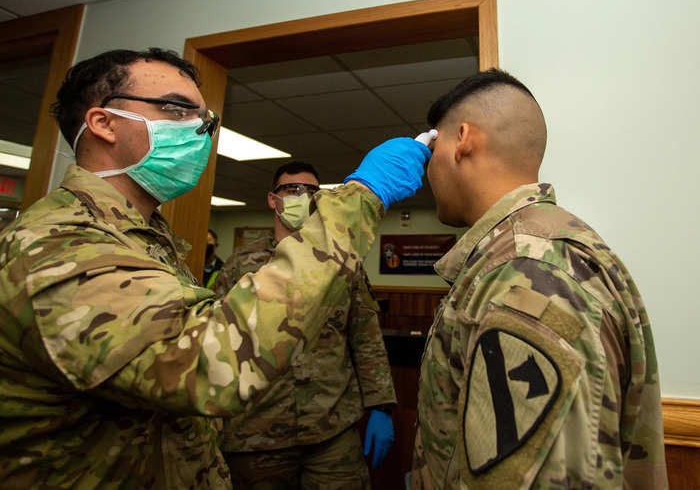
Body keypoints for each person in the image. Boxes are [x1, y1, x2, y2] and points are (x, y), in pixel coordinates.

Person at [0, 47, 431, 489]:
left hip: (322, 427)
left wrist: (378, 403)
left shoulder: (144, 240)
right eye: (178, 109)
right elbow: (209, 363)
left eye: (204, 120)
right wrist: (362, 195)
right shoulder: (59, 245)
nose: (199, 130)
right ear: (104, 123)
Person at [411, 69, 667, 489]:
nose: (427, 167)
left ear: (462, 139)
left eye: (431, 146)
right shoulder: (529, 252)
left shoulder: (530, 272)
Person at [214, 161, 396, 489]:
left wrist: (381, 405)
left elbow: (365, 337)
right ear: (273, 199)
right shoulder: (240, 267)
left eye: (312, 191)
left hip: (331, 428)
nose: (303, 197)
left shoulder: (343, 265)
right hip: (256, 434)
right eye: (292, 190)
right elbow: (219, 342)